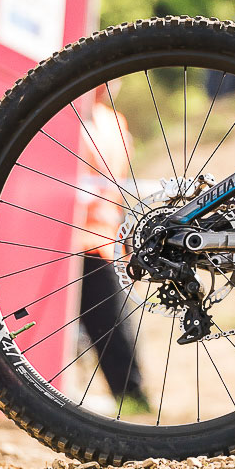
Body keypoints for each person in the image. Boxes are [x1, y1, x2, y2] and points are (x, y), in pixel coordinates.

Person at [75, 83, 149, 415]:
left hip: (100, 236)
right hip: (65, 235)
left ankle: (132, 397)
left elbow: (118, 183)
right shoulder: (68, 118)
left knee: (114, 320)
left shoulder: (115, 122)